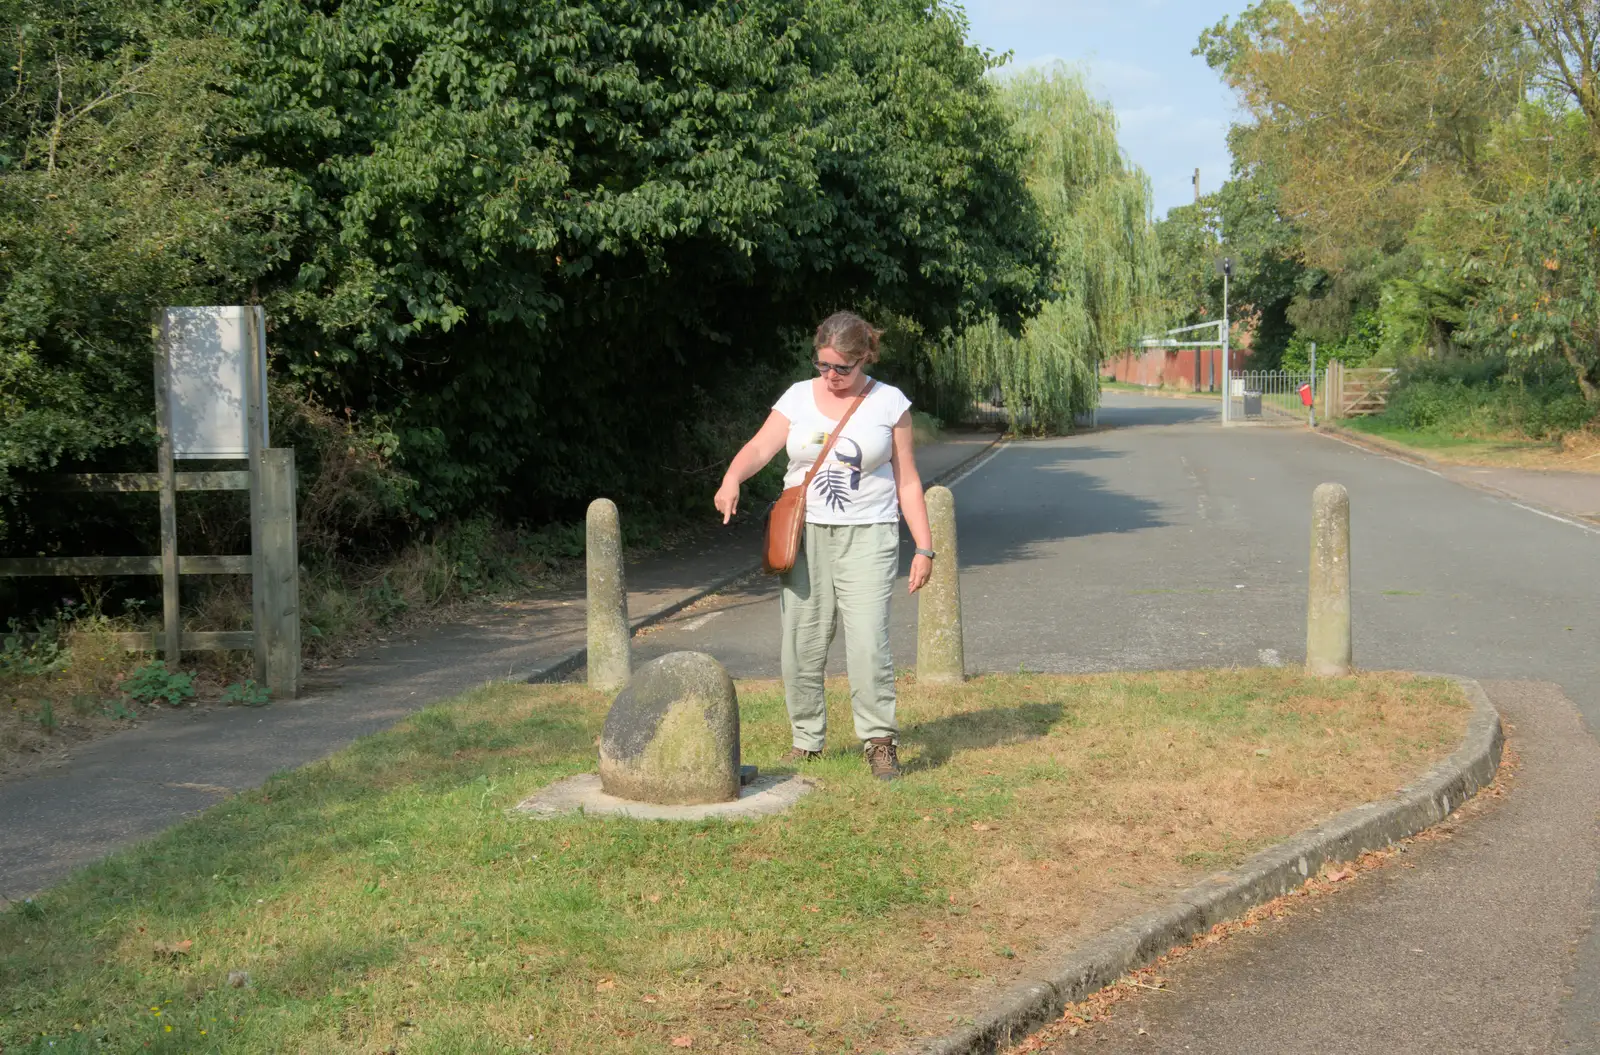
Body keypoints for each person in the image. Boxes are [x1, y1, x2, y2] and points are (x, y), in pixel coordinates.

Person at [714, 311, 935, 781]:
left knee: (868, 642)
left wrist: (924, 546)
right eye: (823, 366)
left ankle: (879, 742)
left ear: (865, 358)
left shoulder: (889, 404)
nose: (831, 377)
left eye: (842, 368)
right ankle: (807, 740)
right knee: (801, 642)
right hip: (805, 535)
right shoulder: (797, 397)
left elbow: (908, 481)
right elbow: (758, 448)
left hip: (869, 534)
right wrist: (733, 476)